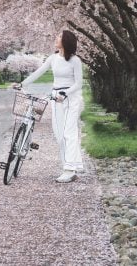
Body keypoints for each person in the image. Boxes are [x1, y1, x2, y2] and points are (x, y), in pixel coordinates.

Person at [15, 30, 84, 183]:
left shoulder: (75, 61)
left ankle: (69, 170)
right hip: (55, 98)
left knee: (69, 133)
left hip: (71, 99)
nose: (56, 38)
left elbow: (79, 83)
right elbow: (38, 73)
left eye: (59, 37)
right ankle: (69, 166)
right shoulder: (53, 58)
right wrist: (22, 83)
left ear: (66, 41)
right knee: (59, 134)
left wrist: (65, 93)